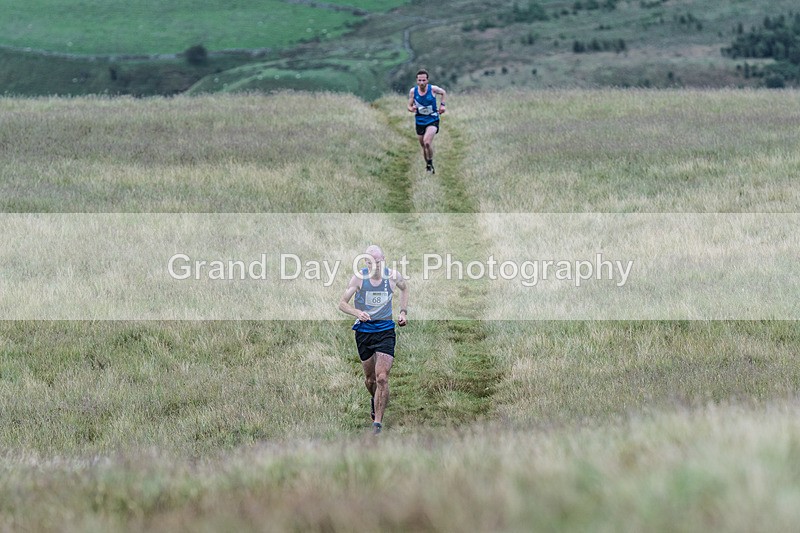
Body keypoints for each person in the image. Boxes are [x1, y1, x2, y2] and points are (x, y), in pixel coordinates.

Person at [338, 245, 408, 435]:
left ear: (383, 260)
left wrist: (402, 312)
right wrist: (357, 312)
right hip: (364, 333)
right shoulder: (359, 278)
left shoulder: (393, 276)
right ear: (365, 262)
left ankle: (377, 423)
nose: (374, 265)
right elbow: (342, 303)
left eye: (377, 261)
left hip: (385, 331)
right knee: (370, 380)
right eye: (370, 262)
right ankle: (376, 398)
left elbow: (404, 289)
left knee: (382, 378)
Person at [407, 69, 447, 174]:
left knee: (427, 142)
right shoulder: (413, 91)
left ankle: (430, 163)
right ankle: (429, 165)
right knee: (423, 146)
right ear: (417, 81)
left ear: (427, 80)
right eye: (419, 80)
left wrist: (442, 106)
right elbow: (409, 106)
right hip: (420, 120)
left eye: (424, 80)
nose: (421, 83)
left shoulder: (433, 89)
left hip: (432, 119)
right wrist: (412, 108)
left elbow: (443, 92)